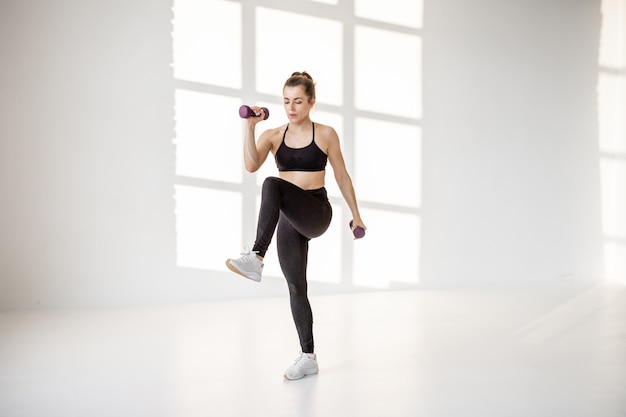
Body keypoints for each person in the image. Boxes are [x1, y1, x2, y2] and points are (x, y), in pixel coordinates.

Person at [226, 71, 366, 380]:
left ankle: (256, 257)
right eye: (287, 101)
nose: (291, 107)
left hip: (315, 212)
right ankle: (308, 357)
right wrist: (251, 127)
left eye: (298, 101)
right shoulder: (274, 135)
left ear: (311, 102)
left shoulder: (326, 133)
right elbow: (251, 165)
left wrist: (356, 214)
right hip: (289, 218)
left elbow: (341, 175)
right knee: (296, 287)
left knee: (273, 184)